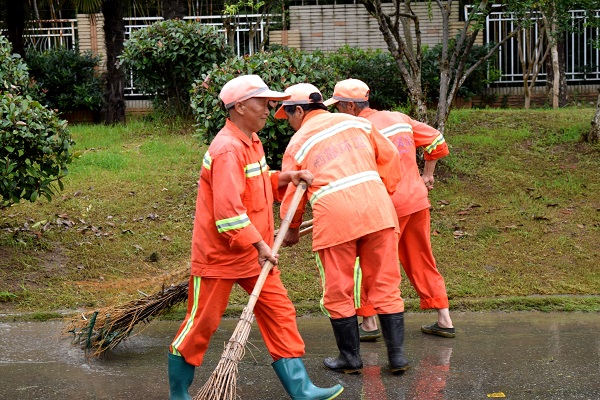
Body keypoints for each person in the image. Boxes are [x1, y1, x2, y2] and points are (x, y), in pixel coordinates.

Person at [167, 75, 344, 400]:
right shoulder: (227, 149)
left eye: (269, 102)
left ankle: (302, 389)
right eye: (262, 103)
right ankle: (178, 393)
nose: (269, 108)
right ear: (238, 107)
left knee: (279, 313)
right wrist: (261, 244)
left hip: (252, 254)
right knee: (200, 325)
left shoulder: (250, 141)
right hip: (219, 258)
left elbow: (258, 183)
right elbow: (228, 212)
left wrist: (286, 176)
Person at [275, 83, 409, 374]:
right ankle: (397, 357)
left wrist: (292, 229)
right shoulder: (356, 123)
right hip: (378, 211)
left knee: (339, 290)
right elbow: (390, 158)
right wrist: (379, 190)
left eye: (288, 116)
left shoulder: (298, 143)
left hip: (335, 218)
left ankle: (350, 359)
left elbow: (294, 192)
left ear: (300, 110)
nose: (289, 124)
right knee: (385, 285)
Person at [324, 78, 455, 339]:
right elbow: (436, 141)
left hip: (384, 206)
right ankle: (444, 318)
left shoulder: (357, 127)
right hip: (416, 201)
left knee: (369, 261)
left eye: (338, 106)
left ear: (351, 105)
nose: (337, 111)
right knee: (421, 257)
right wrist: (427, 175)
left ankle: (369, 323)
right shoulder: (399, 118)